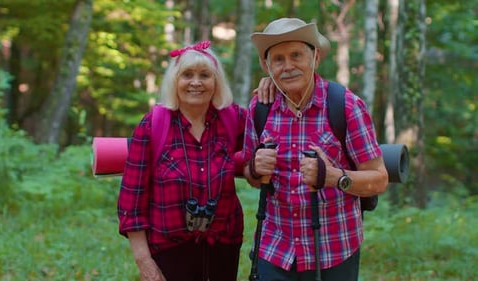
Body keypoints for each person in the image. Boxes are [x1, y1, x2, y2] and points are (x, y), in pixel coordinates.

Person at [242, 18, 389, 281]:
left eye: (296, 55)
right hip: (275, 249)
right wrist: (254, 168)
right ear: (267, 66)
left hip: (333, 249)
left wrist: (335, 177)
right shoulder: (260, 108)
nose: (288, 66)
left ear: (316, 57)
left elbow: (379, 179)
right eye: (278, 59)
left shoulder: (346, 106)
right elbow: (254, 178)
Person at [117, 41, 248, 281]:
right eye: (187, 75)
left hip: (223, 247)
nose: (196, 82)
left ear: (216, 82)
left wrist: (270, 83)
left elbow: (272, 125)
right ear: (175, 81)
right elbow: (131, 201)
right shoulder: (153, 125)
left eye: (205, 75)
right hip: (169, 250)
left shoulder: (233, 119)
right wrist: (144, 261)